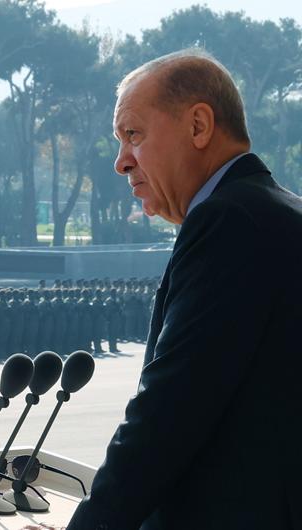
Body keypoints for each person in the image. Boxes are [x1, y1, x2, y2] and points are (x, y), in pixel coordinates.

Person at [68, 50, 302, 529]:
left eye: (133, 134)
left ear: (198, 126)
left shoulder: (228, 221)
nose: (120, 162)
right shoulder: (281, 213)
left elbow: (168, 413)